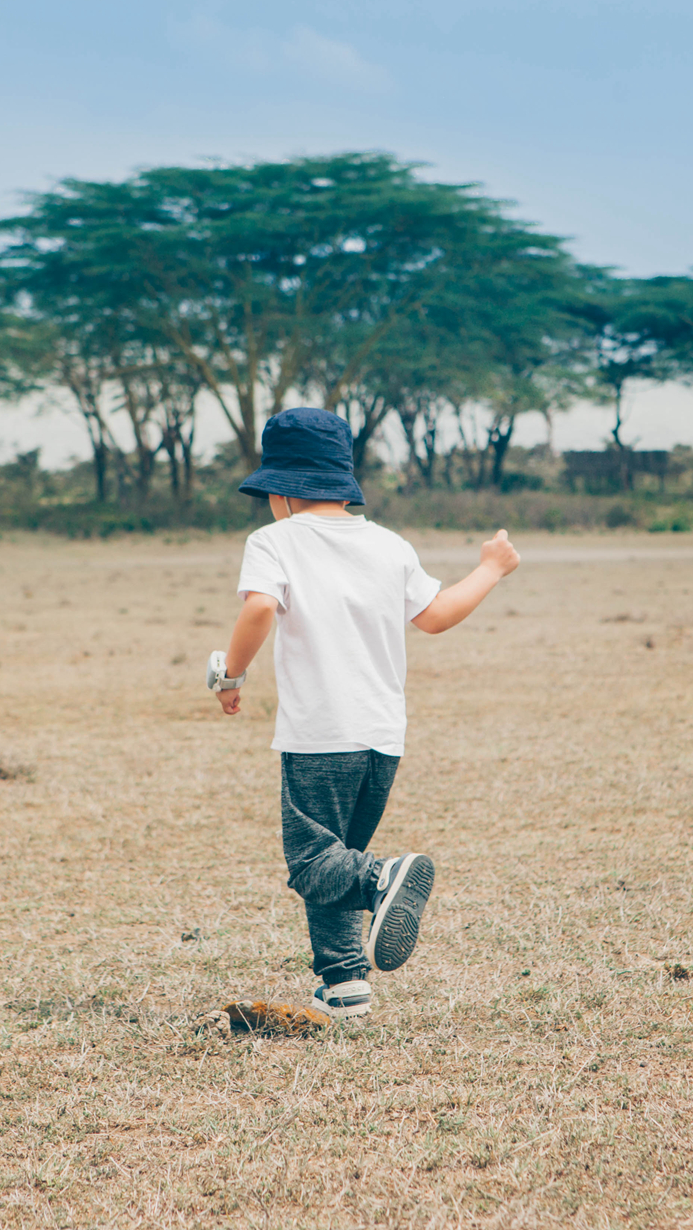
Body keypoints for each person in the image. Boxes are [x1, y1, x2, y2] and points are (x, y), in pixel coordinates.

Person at [210, 407, 520, 1021]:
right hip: (382, 738)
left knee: (313, 860)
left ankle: (382, 878)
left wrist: (231, 675)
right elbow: (434, 616)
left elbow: (258, 612)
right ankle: (344, 983)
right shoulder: (388, 544)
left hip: (320, 734)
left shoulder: (272, 541)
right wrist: (489, 569)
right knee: (336, 855)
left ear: (281, 489)